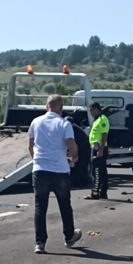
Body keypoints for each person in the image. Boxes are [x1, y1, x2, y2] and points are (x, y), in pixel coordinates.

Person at [27, 95, 83, 254]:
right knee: (65, 205)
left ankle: (40, 243)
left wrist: (37, 160)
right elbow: (72, 146)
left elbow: (30, 146)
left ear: (47, 106)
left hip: (40, 169)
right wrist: (74, 157)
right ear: (61, 107)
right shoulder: (64, 123)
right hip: (60, 170)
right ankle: (69, 236)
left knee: (40, 207)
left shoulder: (35, 122)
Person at [86, 101, 110, 200]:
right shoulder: (97, 120)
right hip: (97, 147)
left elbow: (104, 134)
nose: (90, 112)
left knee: (96, 171)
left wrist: (100, 150)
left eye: (91, 110)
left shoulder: (102, 119)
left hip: (99, 148)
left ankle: (95, 193)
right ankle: (102, 192)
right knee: (102, 171)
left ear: (96, 109)